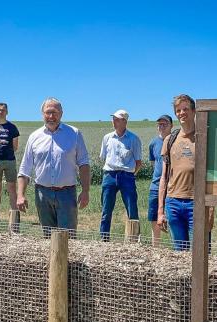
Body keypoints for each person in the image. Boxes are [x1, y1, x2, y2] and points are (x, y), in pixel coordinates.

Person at [17, 97, 90, 234]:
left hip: (67, 194)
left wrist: (85, 191)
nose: (51, 116)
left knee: (68, 237)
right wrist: (20, 195)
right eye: (48, 112)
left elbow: (84, 164)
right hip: (42, 195)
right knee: (48, 236)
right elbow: (24, 169)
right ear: (42, 114)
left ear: (61, 113)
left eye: (55, 112)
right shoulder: (34, 137)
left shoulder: (74, 133)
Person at [157, 94, 214, 250]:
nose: (182, 113)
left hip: (197, 203)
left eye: (185, 109)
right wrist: (160, 211)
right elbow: (164, 177)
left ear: (194, 111)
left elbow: (213, 176)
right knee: (179, 254)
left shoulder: (204, 137)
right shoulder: (170, 140)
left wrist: (211, 209)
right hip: (173, 202)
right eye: (178, 110)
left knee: (201, 251)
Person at [98, 109, 142, 240]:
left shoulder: (134, 139)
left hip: (127, 176)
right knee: (106, 209)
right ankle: (104, 239)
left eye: (117, 119)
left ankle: (134, 239)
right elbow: (103, 157)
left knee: (132, 209)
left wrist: (131, 175)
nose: (114, 121)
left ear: (125, 121)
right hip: (109, 175)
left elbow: (138, 162)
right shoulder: (107, 138)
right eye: (113, 119)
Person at [147, 115, 173, 246]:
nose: (161, 127)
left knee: (172, 218)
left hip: (173, 186)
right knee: (153, 218)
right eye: (159, 125)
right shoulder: (153, 143)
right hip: (155, 185)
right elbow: (153, 163)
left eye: (165, 124)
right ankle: (155, 247)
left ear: (171, 126)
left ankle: (176, 249)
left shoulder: (174, 141)